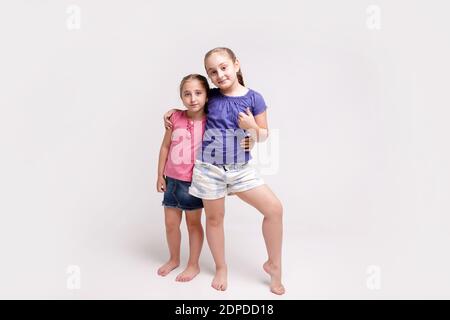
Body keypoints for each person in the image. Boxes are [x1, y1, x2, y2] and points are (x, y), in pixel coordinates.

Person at [164, 48, 285, 295]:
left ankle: (274, 266)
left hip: (241, 170)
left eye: (223, 67)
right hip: (209, 170)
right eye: (212, 72)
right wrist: (171, 112)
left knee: (274, 209)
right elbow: (191, 105)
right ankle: (221, 267)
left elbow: (263, 135)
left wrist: (252, 127)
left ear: (236, 64)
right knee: (215, 219)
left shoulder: (255, 98)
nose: (219, 74)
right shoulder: (212, 97)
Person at [156, 74, 208, 282]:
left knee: (193, 224)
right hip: (172, 180)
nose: (193, 98)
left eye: (198, 93)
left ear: (206, 96)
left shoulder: (211, 120)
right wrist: (160, 174)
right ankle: (174, 258)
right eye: (187, 94)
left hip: (194, 183)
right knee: (170, 224)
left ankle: (193, 264)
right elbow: (165, 146)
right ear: (181, 97)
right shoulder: (175, 118)